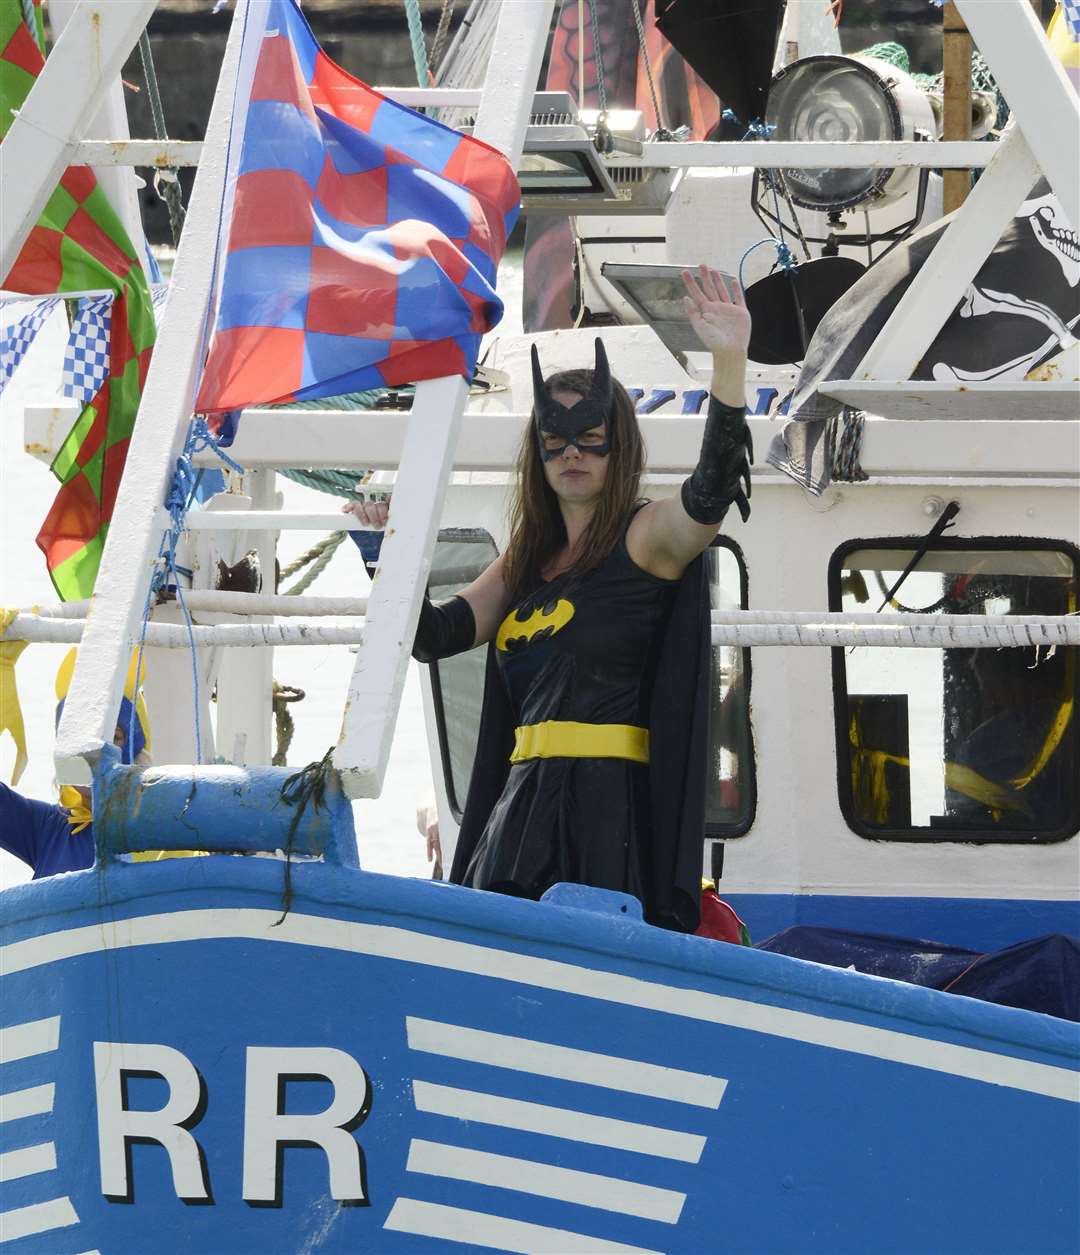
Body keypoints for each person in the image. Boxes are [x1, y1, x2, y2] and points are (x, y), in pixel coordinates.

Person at [346, 266, 752, 931]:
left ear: (617, 445)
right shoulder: (524, 561)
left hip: (608, 812)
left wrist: (729, 363)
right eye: (555, 441)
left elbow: (709, 493)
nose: (573, 455)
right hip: (519, 808)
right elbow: (434, 636)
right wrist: (392, 553)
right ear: (536, 453)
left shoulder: (645, 537)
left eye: (591, 439)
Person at [0, 648, 151, 880]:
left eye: (113, 738)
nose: (93, 754)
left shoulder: (171, 830)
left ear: (136, 749)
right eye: (76, 738)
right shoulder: (47, 830)